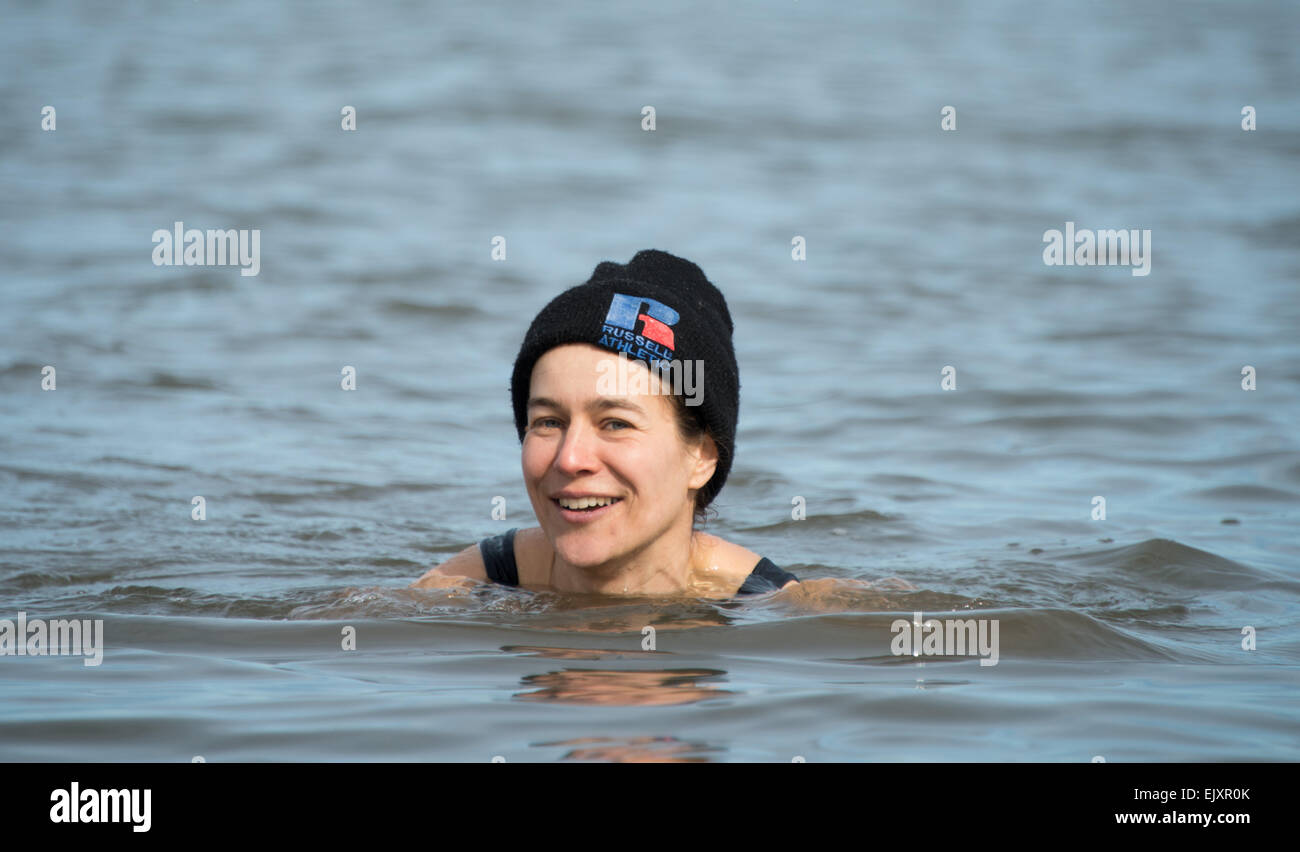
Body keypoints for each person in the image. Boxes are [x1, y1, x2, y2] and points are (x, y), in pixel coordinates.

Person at [412, 249, 798, 598]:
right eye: (548, 422)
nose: (570, 458)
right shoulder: (465, 587)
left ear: (702, 457)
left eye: (615, 424)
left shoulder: (776, 606)